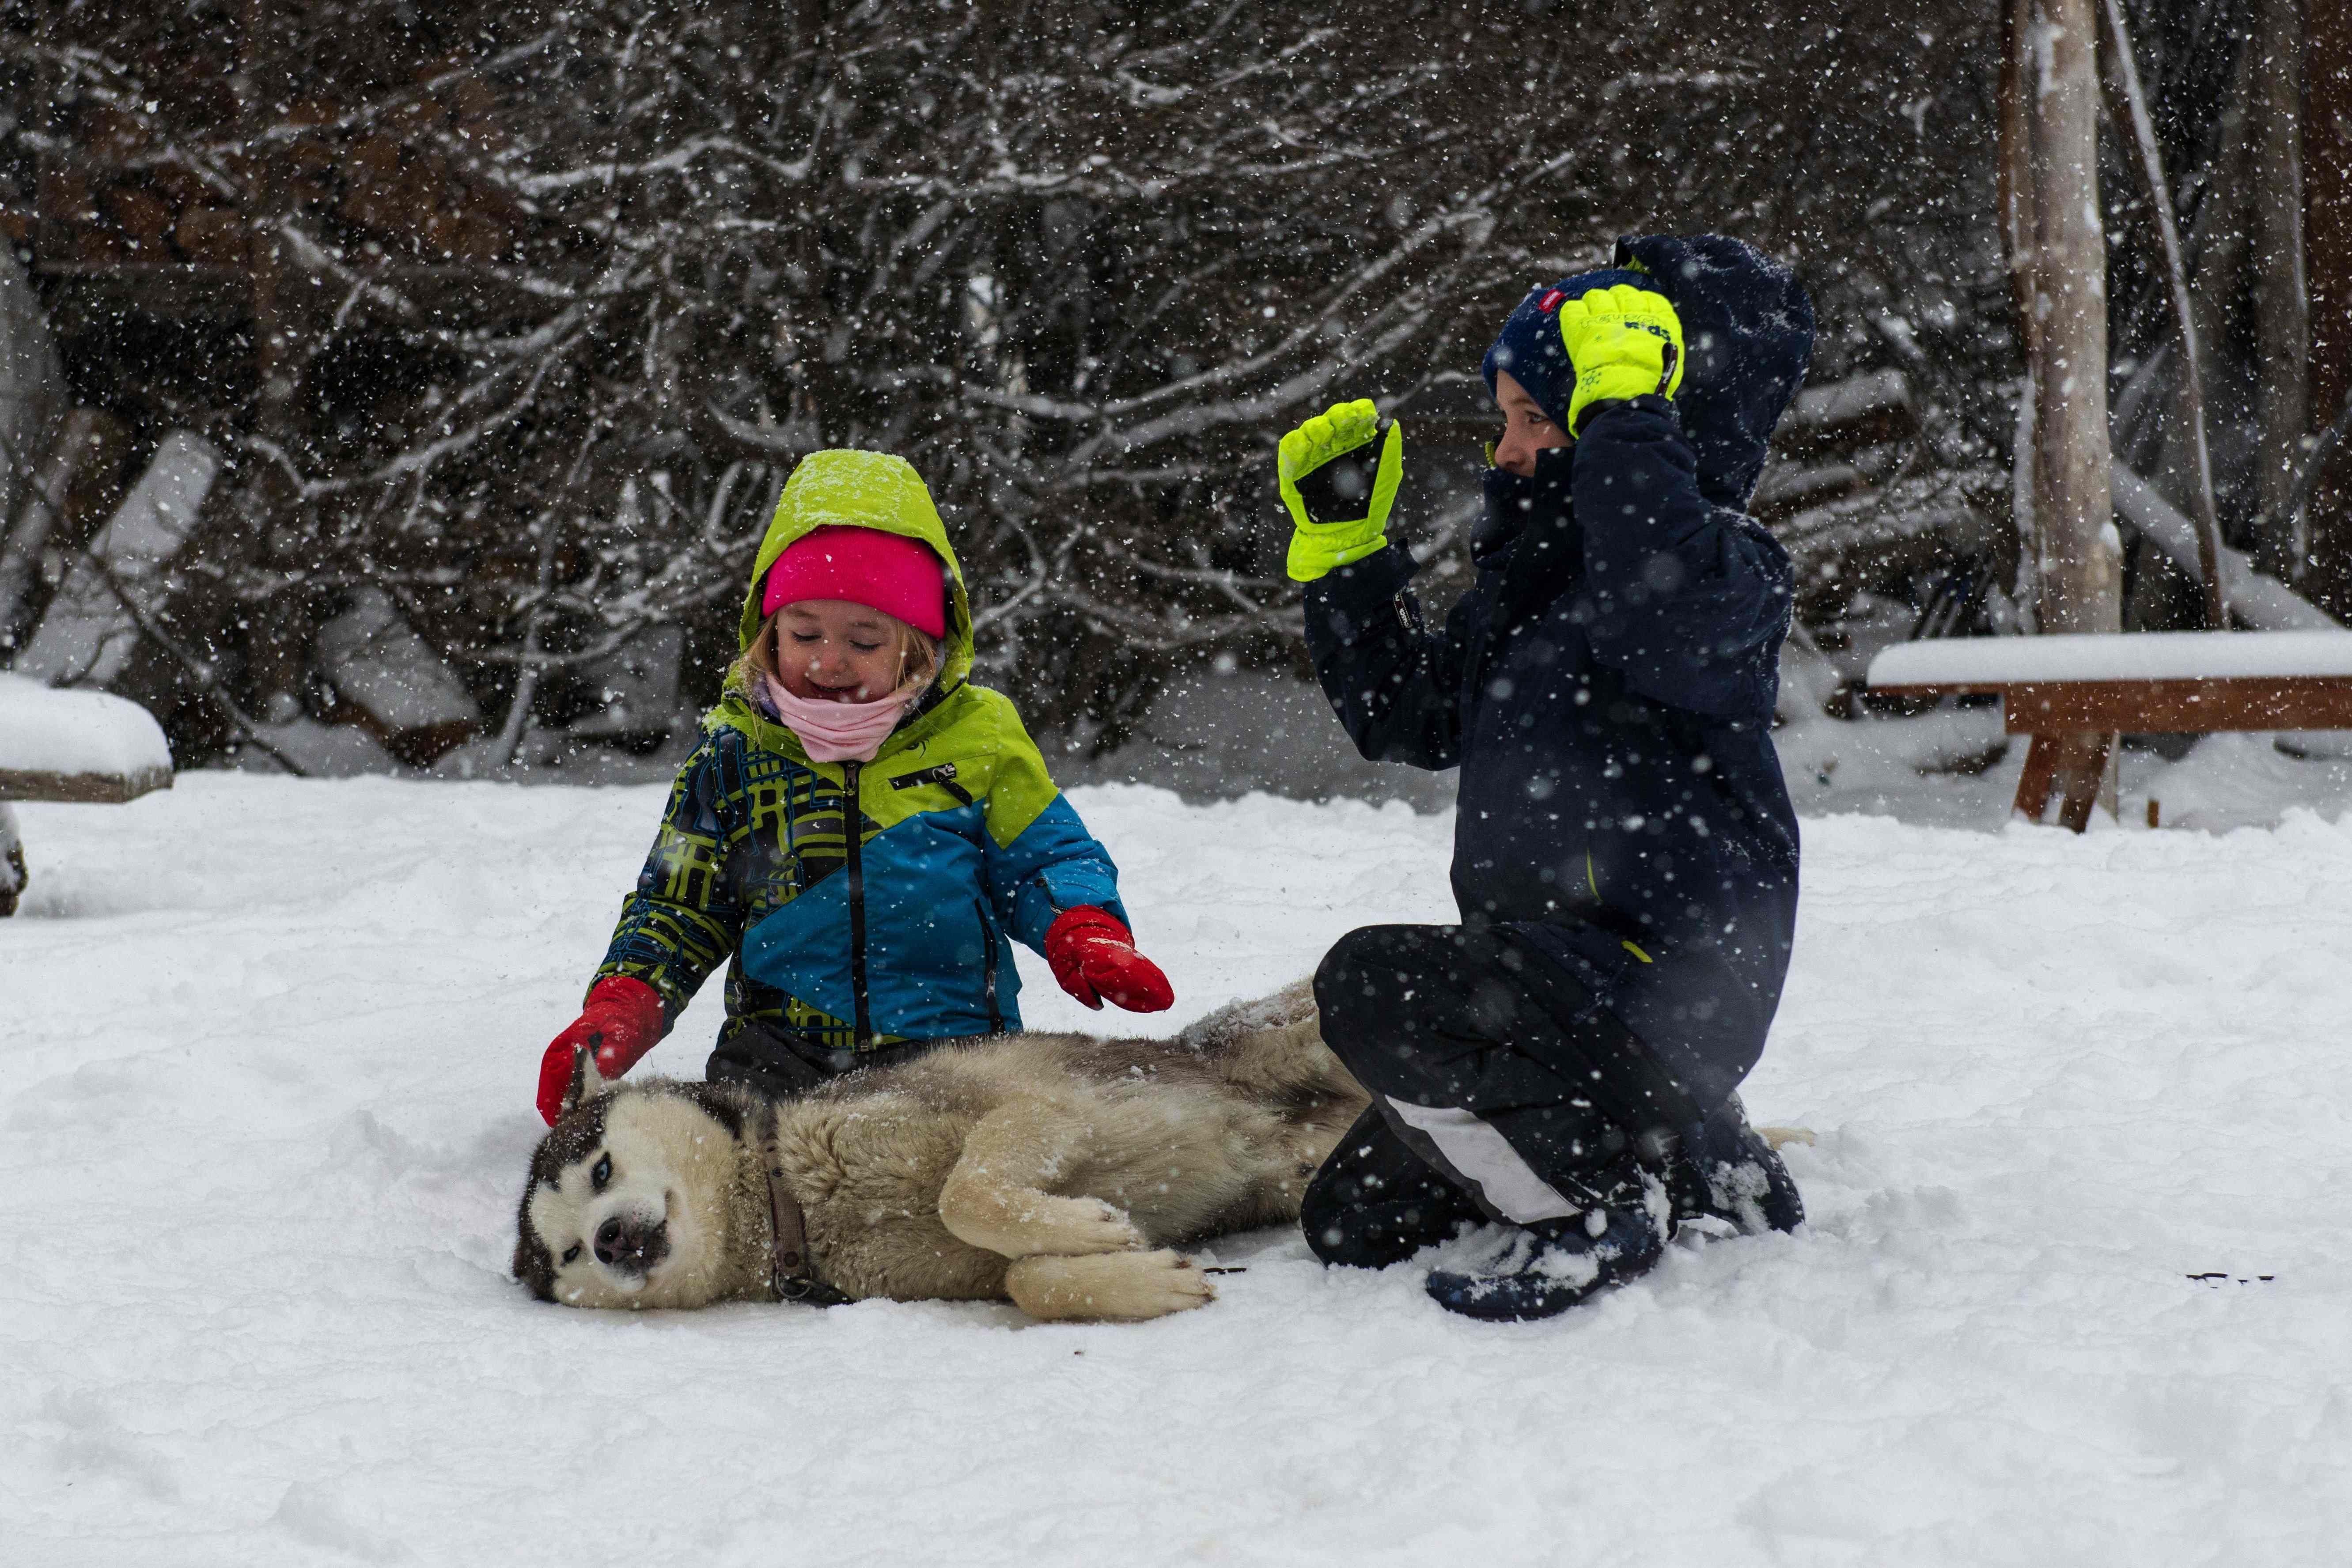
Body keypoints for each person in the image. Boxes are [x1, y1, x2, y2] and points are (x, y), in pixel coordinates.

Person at [1277, 235, 1813, 1320]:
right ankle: (1694, 1150)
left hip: (1664, 985)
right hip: (1548, 995)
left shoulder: (1724, 568)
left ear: (1643, 414)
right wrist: (1346, 559)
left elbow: (1655, 608)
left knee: (1371, 982)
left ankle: (1601, 1199)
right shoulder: (1530, 589)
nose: (1507, 450)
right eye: (1505, 418)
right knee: (1349, 1221)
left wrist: (1624, 426)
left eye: (1535, 419)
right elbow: (1412, 715)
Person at [534, 448, 1172, 1124]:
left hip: (954, 1049)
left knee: (961, 1192)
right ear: (768, 630)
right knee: (747, 1186)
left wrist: (1082, 927)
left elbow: (1045, 857)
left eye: (864, 640)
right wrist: (625, 1003)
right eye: (803, 632)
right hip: (779, 1054)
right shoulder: (736, 752)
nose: (826, 661)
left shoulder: (976, 738)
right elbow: (680, 904)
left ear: (918, 646)